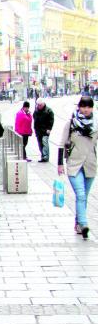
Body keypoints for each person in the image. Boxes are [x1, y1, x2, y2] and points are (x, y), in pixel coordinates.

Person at [57, 96, 98, 240]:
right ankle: (84, 224)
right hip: (74, 164)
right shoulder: (71, 123)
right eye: (83, 106)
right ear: (79, 107)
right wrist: (60, 164)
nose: (86, 109)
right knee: (80, 195)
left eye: (89, 106)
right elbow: (61, 143)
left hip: (90, 164)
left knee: (84, 197)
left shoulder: (96, 124)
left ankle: (78, 223)